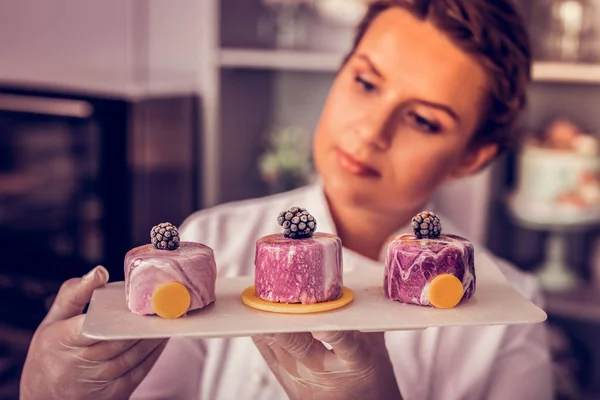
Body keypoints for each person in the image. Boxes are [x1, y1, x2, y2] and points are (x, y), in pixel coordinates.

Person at [20, 0, 554, 399]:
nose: (370, 131)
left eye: (423, 120)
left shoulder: (504, 316)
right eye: (366, 83)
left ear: (472, 157)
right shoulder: (216, 241)